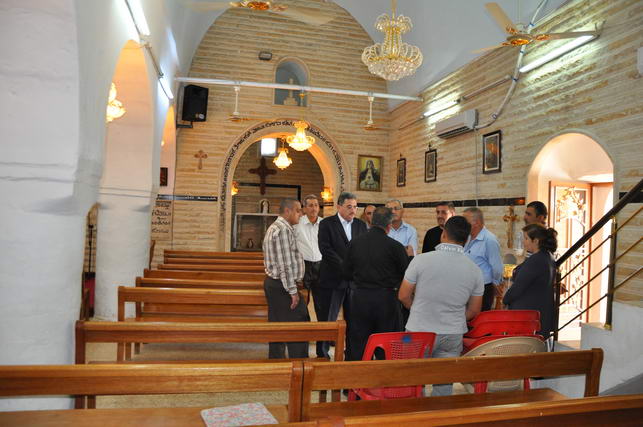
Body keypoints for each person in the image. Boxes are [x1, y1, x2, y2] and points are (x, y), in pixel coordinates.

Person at [399, 216, 484, 396]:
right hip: (452, 332)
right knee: (444, 384)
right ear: (467, 239)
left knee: (414, 381)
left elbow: (403, 295)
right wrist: (455, 317)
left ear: (443, 234)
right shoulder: (475, 270)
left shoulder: (420, 260)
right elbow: (474, 310)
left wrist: (417, 310)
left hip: (419, 329)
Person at [343, 207, 409, 361]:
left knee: (358, 345)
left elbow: (345, 272)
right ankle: (383, 376)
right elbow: (405, 275)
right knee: (386, 346)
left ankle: (358, 376)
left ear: (371, 222)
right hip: (387, 300)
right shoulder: (395, 246)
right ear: (389, 225)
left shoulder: (355, 243)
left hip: (360, 299)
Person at [318, 192, 367, 359]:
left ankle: (351, 353)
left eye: (355, 207)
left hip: (354, 281)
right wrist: (346, 267)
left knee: (353, 320)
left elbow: (363, 250)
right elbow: (325, 249)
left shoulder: (361, 225)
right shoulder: (326, 224)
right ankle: (322, 354)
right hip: (332, 279)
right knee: (328, 319)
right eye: (349, 207)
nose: (353, 210)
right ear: (339, 207)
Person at [262, 198, 310, 359]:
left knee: (277, 326)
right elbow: (285, 265)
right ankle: (300, 365)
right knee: (299, 326)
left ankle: (277, 364)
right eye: (298, 210)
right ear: (287, 211)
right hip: (283, 285)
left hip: (276, 284)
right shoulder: (283, 230)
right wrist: (293, 291)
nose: (301, 214)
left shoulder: (278, 227)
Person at [503, 224, 557, 340]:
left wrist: (505, 299)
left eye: (526, 238)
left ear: (536, 241)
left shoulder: (536, 260)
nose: (524, 242)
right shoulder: (546, 256)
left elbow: (519, 286)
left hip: (528, 316)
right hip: (536, 312)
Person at [294, 194, 324, 357]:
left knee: (321, 304)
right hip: (303, 266)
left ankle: (322, 336)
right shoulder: (297, 224)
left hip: (320, 266)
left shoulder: (324, 224)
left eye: (316, 205)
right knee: (302, 303)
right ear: (304, 208)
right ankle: (303, 335)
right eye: (310, 205)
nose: (314, 208)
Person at [463, 207, 503, 311]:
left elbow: (497, 267)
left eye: (465, 221)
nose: (463, 224)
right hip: (467, 286)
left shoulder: (489, 240)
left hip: (484, 288)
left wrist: (495, 283)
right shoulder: (467, 237)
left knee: (480, 318)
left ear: (476, 223)